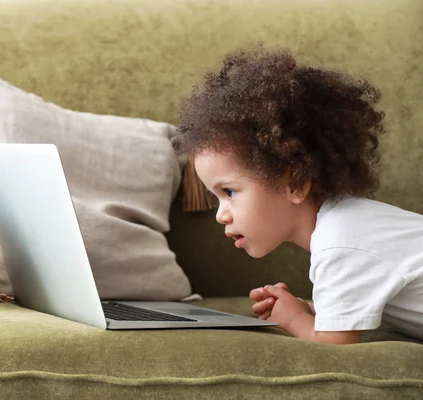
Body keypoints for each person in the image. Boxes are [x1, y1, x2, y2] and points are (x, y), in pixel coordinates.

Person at [176, 45, 423, 344]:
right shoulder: (346, 225)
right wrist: (307, 309)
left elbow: (336, 346)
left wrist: (293, 320)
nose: (220, 214)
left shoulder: (340, 243)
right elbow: (353, 312)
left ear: (295, 182)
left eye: (229, 192)